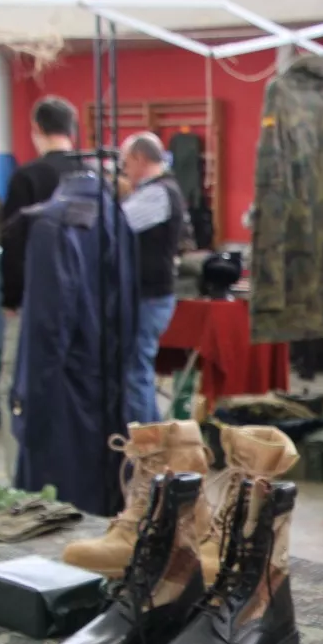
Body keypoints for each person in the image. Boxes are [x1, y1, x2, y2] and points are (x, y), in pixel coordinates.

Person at [0, 97, 84, 478]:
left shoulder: (27, 178)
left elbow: (13, 243)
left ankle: (21, 475)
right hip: (86, 303)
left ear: (36, 130)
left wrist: (10, 298)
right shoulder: (93, 177)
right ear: (73, 129)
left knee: (14, 387)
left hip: (36, 300)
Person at [119, 131, 186, 424]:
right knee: (136, 372)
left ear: (139, 159)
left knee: (135, 374)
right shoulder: (159, 190)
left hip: (149, 297)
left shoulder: (157, 193)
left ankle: (150, 446)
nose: (125, 172)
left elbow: (116, 225)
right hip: (149, 295)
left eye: (125, 164)